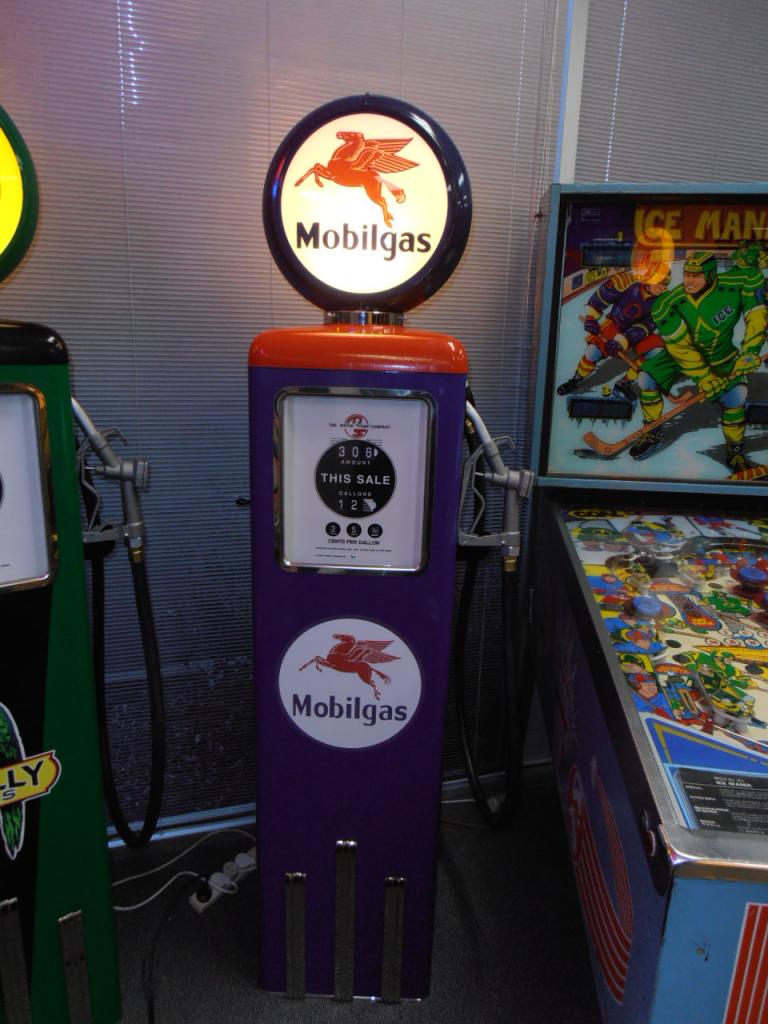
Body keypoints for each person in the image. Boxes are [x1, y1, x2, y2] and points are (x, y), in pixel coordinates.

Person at [628, 251, 767, 469]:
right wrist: (704, 377)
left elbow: (756, 314)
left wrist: (750, 351)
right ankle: (652, 431)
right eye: (687, 274)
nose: (689, 281)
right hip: (681, 356)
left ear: (710, 275)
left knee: (736, 395)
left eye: (696, 275)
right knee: (646, 378)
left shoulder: (741, 281)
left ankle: (735, 451)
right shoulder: (666, 304)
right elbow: (680, 347)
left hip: (721, 354)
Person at [557, 255, 670, 399]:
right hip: (615, 325)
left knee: (656, 352)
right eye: (659, 283)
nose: (662, 288)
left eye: (665, 284)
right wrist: (591, 318)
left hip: (638, 333)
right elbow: (601, 297)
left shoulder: (663, 301)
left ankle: (624, 382)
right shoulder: (626, 281)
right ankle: (576, 380)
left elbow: (647, 325)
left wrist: (623, 340)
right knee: (592, 353)